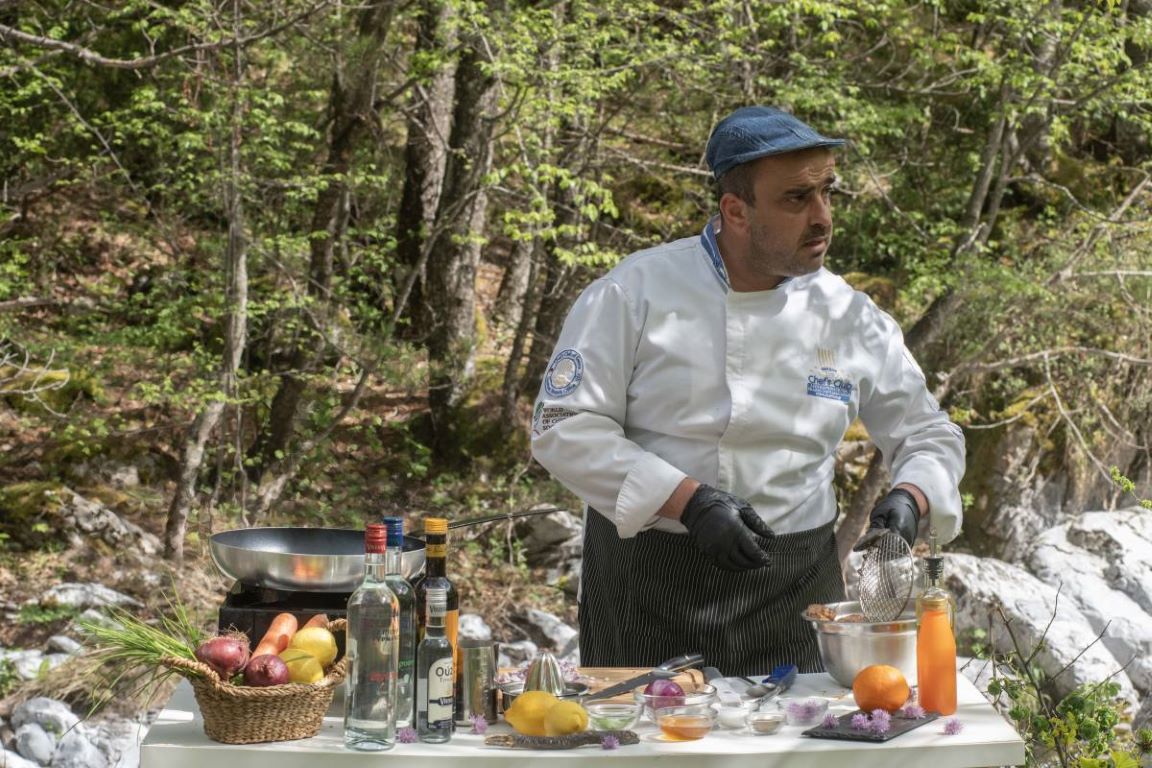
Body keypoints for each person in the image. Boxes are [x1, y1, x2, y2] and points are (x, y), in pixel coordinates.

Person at [530, 106, 966, 675]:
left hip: (794, 590)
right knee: (643, 732)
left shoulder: (850, 316)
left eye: (828, 192)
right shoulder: (634, 293)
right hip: (649, 581)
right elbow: (562, 425)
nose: (823, 217)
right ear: (735, 210)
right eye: (797, 198)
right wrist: (689, 501)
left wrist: (911, 496)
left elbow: (929, 432)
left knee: (799, 732)